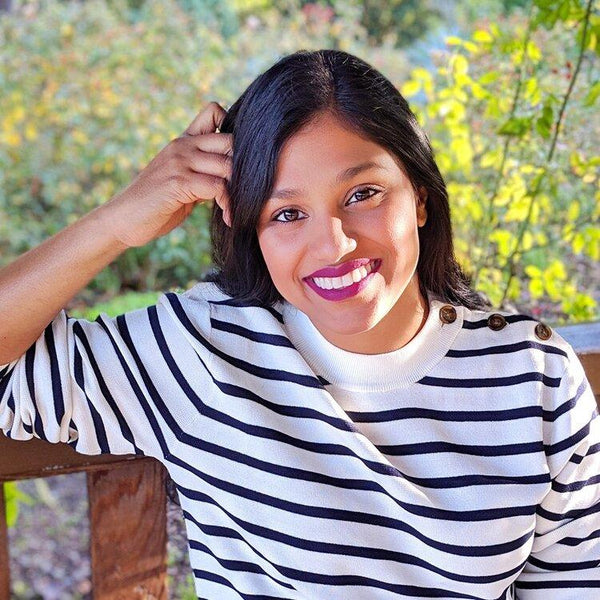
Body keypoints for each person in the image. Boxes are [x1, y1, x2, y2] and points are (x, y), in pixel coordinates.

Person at [0, 49, 598, 600]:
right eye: (287, 213)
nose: (332, 243)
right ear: (250, 230)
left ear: (419, 195)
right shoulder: (202, 352)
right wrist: (119, 221)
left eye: (363, 193)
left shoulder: (534, 378)